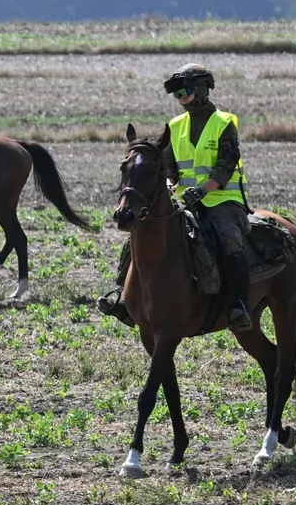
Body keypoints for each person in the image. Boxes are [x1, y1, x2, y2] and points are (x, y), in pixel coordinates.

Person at [97, 63, 252, 331]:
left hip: (222, 201)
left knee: (229, 241)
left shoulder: (224, 123)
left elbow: (225, 167)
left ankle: (239, 305)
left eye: (185, 92)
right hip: (184, 201)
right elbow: (170, 170)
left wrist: (203, 190)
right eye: (177, 94)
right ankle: (122, 297)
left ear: (202, 90)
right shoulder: (174, 126)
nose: (181, 99)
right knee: (135, 239)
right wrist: (170, 185)